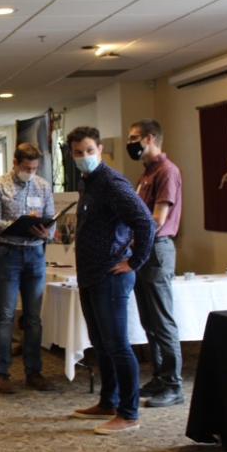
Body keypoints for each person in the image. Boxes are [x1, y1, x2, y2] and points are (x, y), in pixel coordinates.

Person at [67, 126, 155, 435]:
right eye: (78, 153)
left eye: (89, 151)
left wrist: (135, 261)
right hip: (90, 275)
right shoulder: (87, 183)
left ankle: (128, 413)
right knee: (100, 343)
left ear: (100, 149)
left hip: (111, 276)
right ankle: (108, 402)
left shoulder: (112, 182)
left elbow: (145, 221)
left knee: (117, 345)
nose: (84, 157)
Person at [0, 143, 55, 394]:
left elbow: (52, 221)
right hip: (8, 253)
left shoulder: (43, 186)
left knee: (34, 317)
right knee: (5, 315)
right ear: (15, 163)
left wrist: (47, 231)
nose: (31, 171)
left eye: (34, 168)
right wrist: (14, 226)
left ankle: (33, 371)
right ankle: (2, 373)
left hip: (35, 253)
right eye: (26, 167)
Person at [127, 118, 185, 408]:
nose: (131, 143)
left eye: (134, 137)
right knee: (149, 321)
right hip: (141, 250)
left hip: (157, 249)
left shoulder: (167, 171)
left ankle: (174, 386)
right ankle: (160, 378)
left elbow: (158, 219)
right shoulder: (145, 174)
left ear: (150, 138)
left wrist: (129, 233)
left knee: (162, 321)